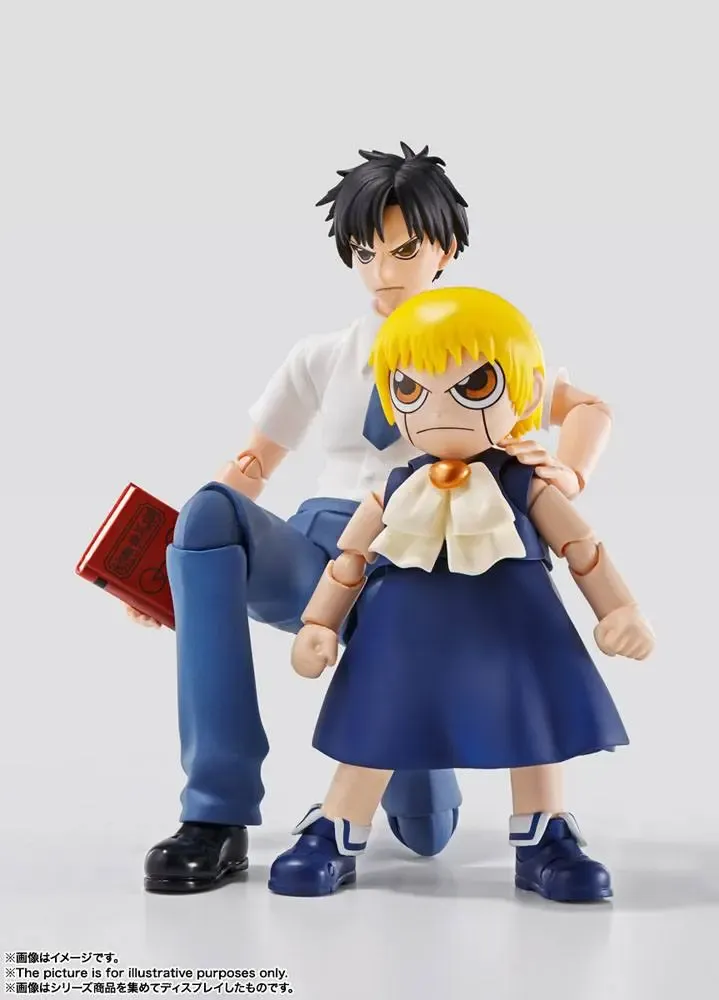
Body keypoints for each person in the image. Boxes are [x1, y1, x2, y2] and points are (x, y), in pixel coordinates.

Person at [128, 143, 615, 894]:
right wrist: (173, 571)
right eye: (365, 253)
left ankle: (466, 796)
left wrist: (567, 471)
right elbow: (251, 464)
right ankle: (215, 812)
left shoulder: (483, 344)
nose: (383, 270)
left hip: (437, 577)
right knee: (207, 514)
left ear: (445, 249)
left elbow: (586, 405)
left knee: (426, 831)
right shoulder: (323, 356)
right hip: (326, 547)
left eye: (403, 250)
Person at [269, 286, 653, 902]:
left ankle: (544, 834)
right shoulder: (396, 486)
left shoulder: (525, 483)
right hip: (403, 633)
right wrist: (319, 623)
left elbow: (582, 548)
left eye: (474, 385)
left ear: (526, 391)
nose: (438, 407)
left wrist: (620, 609)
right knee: (378, 714)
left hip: (514, 626)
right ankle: (338, 825)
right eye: (410, 389)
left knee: (531, 717)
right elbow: (350, 560)